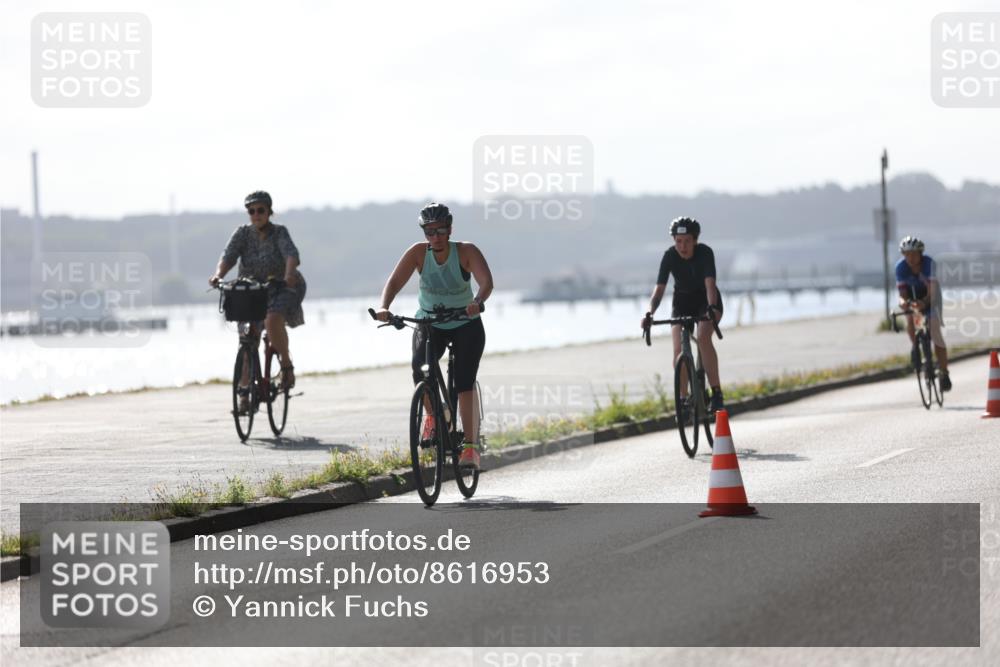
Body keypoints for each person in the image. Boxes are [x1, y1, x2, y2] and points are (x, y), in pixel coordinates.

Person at [375, 203, 494, 470]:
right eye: (430, 231)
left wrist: (477, 300)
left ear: (450, 229)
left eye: (441, 230)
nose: (436, 236)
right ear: (424, 232)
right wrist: (385, 307)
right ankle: (434, 417)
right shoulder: (417, 253)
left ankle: (471, 448)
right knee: (420, 369)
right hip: (430, 322)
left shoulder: (466, 251)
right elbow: (394, 283)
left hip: (466, 323)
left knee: (464, 382)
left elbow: (486, 282)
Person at [209, 191, 307, 410]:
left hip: (281, 286)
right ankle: (244, 394)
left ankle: (286, 366)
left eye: (260, 210)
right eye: (251, 211)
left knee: (272, 320)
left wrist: (289, 274)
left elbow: (291, 255)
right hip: (253, 290)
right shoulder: (242, 234)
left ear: (269, 212)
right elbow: (228, 256)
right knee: (247, 337)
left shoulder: (279, 232)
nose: (256, 215)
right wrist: (218, 276)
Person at [642, 216, 725, 412]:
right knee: (678, 349)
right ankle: (683, 398)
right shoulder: (669, 256)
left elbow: (710, 285)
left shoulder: (705, 253)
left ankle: (716, 392)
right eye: (678, 241)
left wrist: (711, 308)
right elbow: (659, 289)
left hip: (706, 300)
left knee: (704, 337)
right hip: (682, 301)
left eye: (687, 241)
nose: (682, 246)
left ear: (695, 240)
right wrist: (649, 312)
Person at [896, 235, 950, 391]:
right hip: (913, 296)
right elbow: (902, 295)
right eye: (907, 255)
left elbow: (932, 292)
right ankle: (917, 348)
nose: (910, 258)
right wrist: (904, 303)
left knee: (935, 331)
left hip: (931, 297)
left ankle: (944, 372)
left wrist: (924, 303)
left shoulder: (928, 264)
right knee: (910, 320)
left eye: (914, 254)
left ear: (920, 253)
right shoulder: (900, 268)